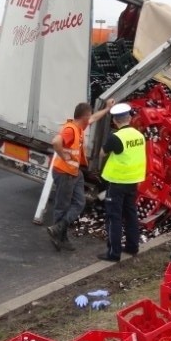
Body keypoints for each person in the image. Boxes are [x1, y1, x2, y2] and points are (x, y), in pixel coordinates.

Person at [47, 99, 114, 252]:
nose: (89, 121)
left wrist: (107, 108)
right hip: (65, 173)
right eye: (87, 118)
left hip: (75, 173)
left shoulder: (79, 127)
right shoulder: (71, 129)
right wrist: (63, 155)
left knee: (79, 202)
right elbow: (56, 141)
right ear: (83, 118)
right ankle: (59, 237)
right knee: (62, 206)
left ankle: (58, 229)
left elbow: (94, 118)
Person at [97, 103, 147, 262]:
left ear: (115, 121)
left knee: (114, 217)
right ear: (130, 118)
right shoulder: (139, 135)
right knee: (131, 214)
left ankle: (114, 253)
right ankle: (133, 247)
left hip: (117, 182)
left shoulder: (116, 137)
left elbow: (102, 153)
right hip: (133, 181)